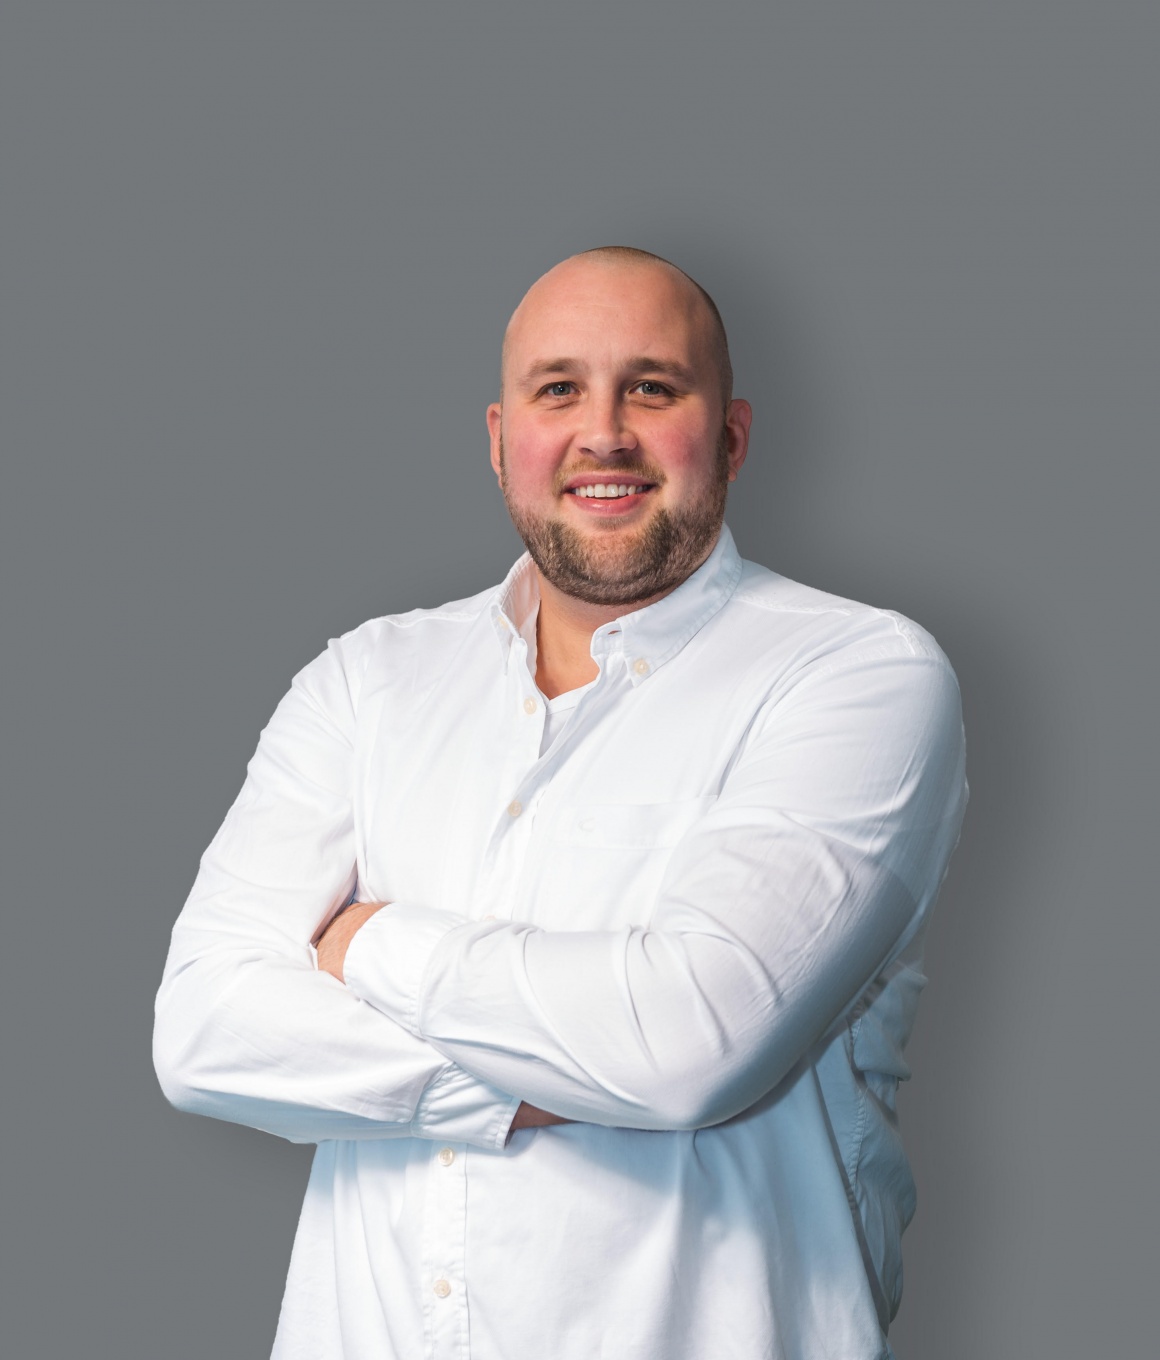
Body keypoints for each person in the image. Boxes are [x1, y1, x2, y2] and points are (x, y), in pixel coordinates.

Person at [154, 246, 967, 1360]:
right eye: (557, 390)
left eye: (652, 386)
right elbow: (204, 1032)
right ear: (500, 442)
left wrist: (367, 939)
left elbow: (688, 1044)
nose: (604, 433)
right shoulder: (367, 680)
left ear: (728, 435)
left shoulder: (853, 674)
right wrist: (545, 1079)